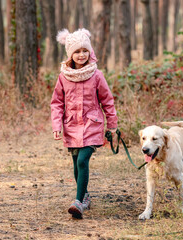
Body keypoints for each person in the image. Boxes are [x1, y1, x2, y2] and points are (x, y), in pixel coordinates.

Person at [51, 28, 118, 219]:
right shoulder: (64, 77)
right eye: (77, 51)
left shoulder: (97, 75)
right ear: (71, 54)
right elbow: (56, 103)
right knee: (75, 163)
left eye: (85, 51)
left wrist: (112, 124)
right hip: (71, 126)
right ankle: (86, 196)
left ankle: (78, 202)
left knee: (82, 160)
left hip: (92, 125)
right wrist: (57, 125)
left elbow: (107, 100)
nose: (81, 55)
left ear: (90, 52)